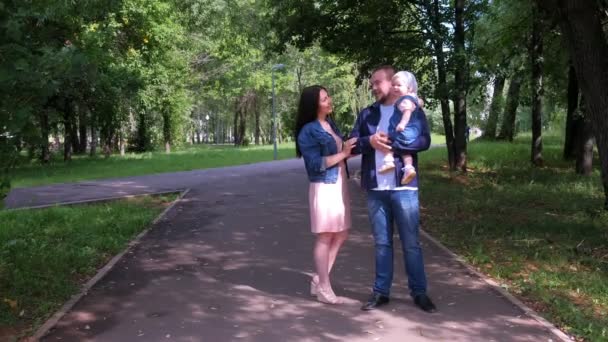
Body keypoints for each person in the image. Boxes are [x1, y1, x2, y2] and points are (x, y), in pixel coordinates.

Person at [350, 65, 437, 313]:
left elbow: (425, 141)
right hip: (376, 188)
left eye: (377, 82)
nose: (373, 87)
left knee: (411, 244)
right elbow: (353, 145)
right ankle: (381, 293)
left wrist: (399, 142)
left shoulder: (412, 109)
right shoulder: (367, 114)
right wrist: (370, 141)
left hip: (405, 187)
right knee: (381, 244)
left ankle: (419, 293)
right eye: (372, 83)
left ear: (392, 82)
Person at [295, 85, 357, 304]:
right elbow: (314, 165)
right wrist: (343, 153)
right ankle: (324, 286)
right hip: (324, 187)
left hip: (339, 184)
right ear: (314, 104)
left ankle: (319, 279)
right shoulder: (308, 131)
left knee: (341, 234)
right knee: (325, 235)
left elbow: (338, 154)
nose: (329, 100)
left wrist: (347, 150)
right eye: (324, 99)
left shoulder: (330, 124)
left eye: (328, 96)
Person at [377, 71, 424, 186]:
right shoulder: (412, 98)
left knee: (387, 140)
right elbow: (419, 103)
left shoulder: (404, 100)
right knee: (405, 151)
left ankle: (388, 161)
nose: (395, 88)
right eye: (393, 85)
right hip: (411, 133)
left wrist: (402, 123)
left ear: (409, 87)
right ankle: (409, 168)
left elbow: (407, 112)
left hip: (404, 131)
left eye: (399, 85)